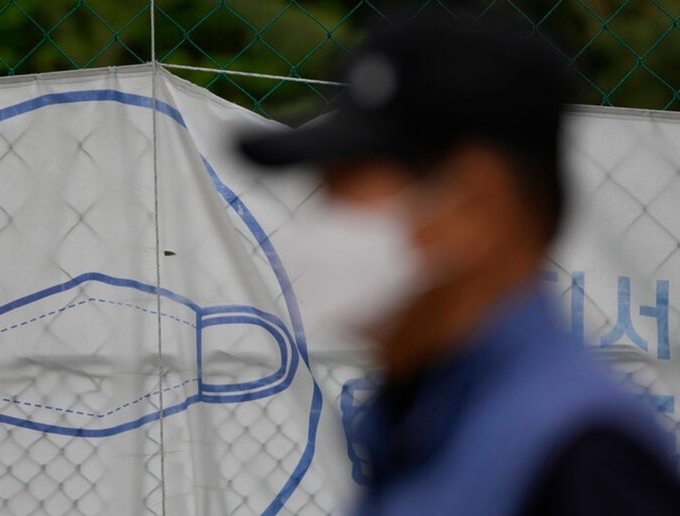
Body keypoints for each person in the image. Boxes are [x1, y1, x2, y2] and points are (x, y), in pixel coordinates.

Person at [238, 12, 680, 516]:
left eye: (348, 194)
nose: (322, 226)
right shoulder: (430, 423)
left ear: (477, 208)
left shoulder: (582, 461)